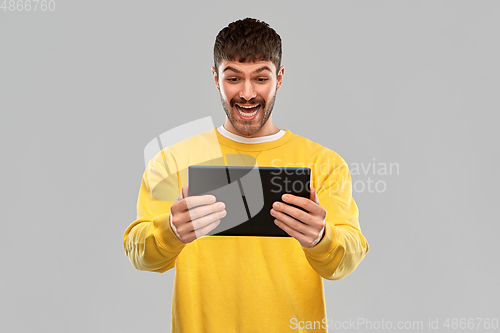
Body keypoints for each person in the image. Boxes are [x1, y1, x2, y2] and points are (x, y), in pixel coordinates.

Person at [123, 17, 369, 332]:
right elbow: (140, 255)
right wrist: (170, 229)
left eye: (261, 78)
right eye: (234, 78)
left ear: (279, 78)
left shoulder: (323, 163)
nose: (248, 93)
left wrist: (322, 238)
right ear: (216, 78)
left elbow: (346, 258)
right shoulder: (172, 159)